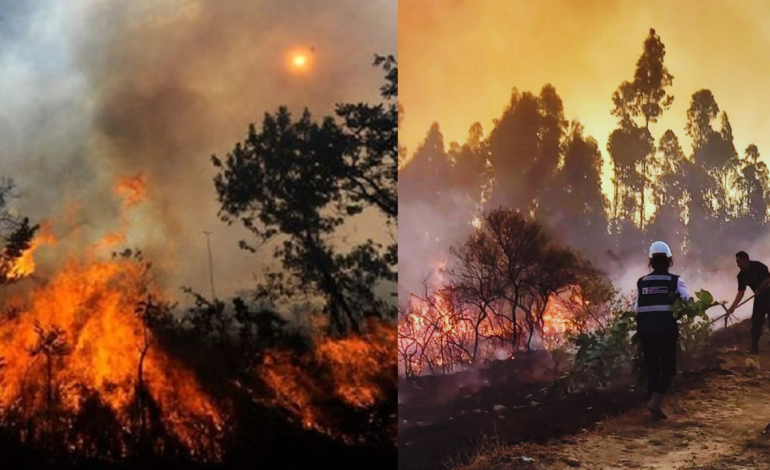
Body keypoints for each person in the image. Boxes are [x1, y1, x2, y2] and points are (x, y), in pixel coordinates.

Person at [635, 241, 692, 421]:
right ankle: (656, 403)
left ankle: (653, 409)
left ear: (650, 261)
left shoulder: (642, 282)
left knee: (653, 368)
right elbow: (688, 300)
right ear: (670, 261)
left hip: (645, 331)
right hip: (666, 330)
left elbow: (637, 308)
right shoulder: (675, 280)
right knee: (669, 368)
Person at [727, 251, 770, 354]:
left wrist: (760, 288)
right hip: (759, 299)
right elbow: (741, 292)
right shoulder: (741, 276)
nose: (737, 264)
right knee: (756, 322)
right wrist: (733, 307)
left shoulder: (759, 267)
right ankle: (754, 347)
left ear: (746, 260)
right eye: (737, 262)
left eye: (739, 262)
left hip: (769, 295)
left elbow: (768, 280)